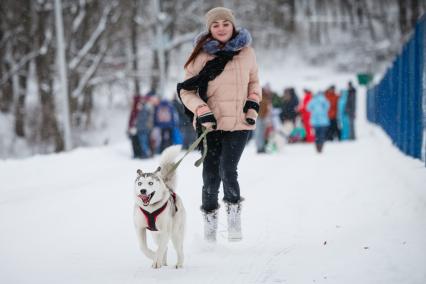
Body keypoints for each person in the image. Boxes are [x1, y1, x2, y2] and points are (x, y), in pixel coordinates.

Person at [177, 7, 261, 242]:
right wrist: (202, 111)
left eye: (225, 23)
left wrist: (252, 106)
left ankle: (234, 215)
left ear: (233, 26)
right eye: (215, 25)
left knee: (228, 169)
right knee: (210, 176)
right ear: (209, 29)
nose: (221, 28)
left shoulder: (247, 53)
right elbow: (186, 91)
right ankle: (210, 226)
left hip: (239, 123)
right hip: (210, 125)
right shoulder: (199, 56)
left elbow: (254, 83)